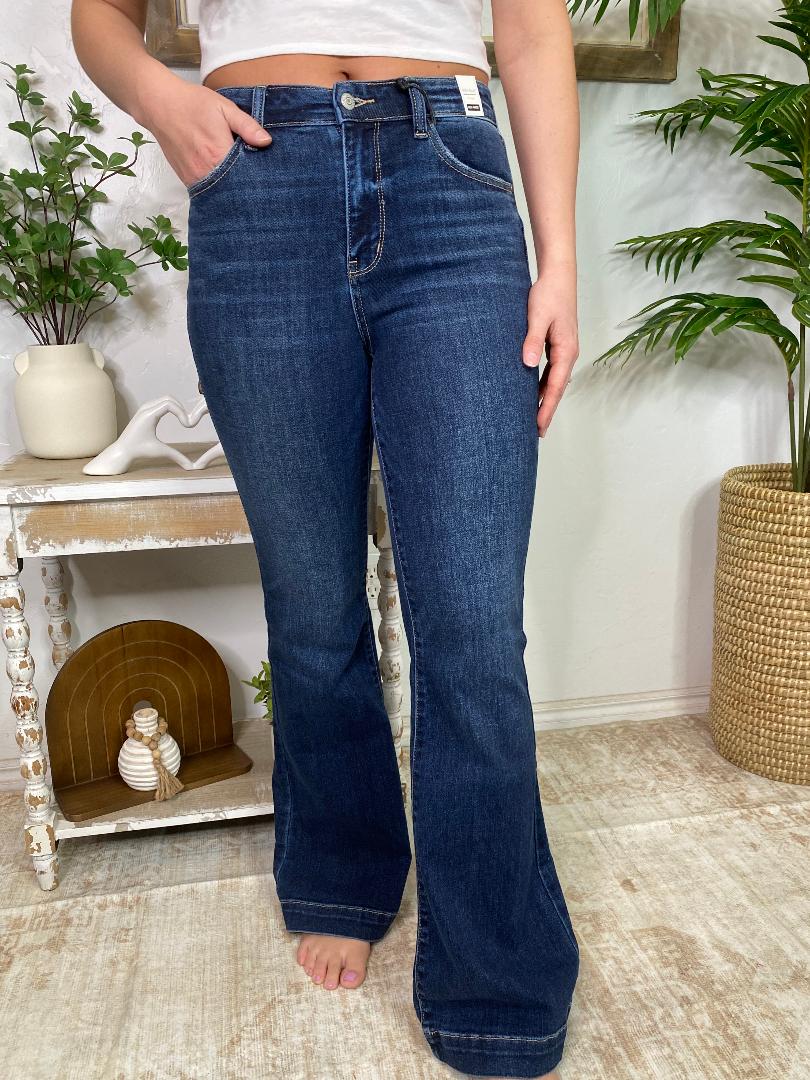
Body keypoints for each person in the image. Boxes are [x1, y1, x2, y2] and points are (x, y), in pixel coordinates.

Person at [72, 1, 581, 1076]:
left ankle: (496, 975)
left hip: (449, 176)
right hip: (258, 181)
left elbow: (533, 29)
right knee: (312, 604)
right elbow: (101, 14)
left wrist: (561, 260)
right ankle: (343, 873)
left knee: (474, 627)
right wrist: (162, 100)